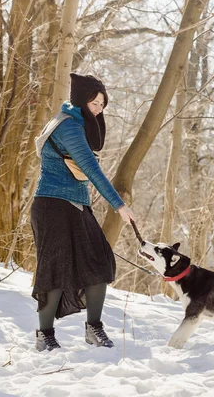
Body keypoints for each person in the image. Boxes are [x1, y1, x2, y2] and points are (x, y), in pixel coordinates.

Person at [31, 73, 135, 351]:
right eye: (94, 102)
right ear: (81, 100)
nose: (99, 109)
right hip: (52, 205)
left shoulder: (75, 122)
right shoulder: (68, 127)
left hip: (77, 204)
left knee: (99, 262)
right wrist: (119, 205)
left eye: (102, 104)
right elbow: (92, 169)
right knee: (53, 270)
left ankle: (94, 329)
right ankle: (45, 335)